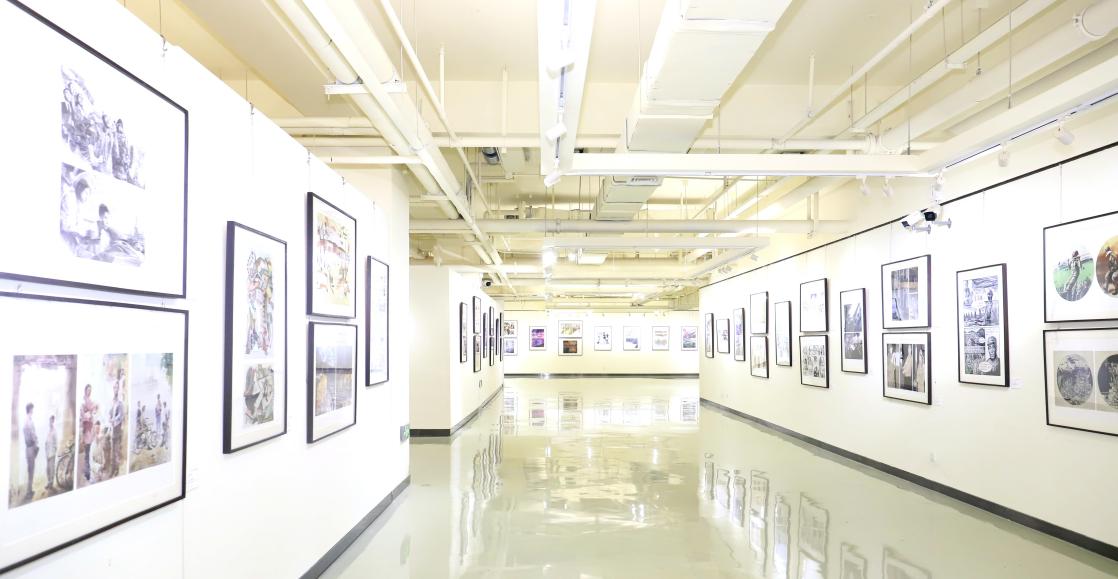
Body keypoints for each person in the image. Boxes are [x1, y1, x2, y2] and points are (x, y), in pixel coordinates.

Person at [79, 384, 97, 483]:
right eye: (88, 390)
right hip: (85, 429)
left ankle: (88, 473)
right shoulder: (83, 402)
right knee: (87, 453)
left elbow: (93, 412)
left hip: (90, 429)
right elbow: (82, 416)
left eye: (90, 390)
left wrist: (91, 414)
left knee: (89, 452)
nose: (89, 392)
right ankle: (88, 474)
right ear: (85, 390)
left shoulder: (91, 401)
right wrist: (88, 415)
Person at [109, 375, 125, 478]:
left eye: (117, 387)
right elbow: (110, 412)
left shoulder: (120, 401)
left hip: (117, 429)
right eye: (114, 387)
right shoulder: (112, 400)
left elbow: (121, 415)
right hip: (112, 429)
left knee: (116, 451)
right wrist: (109, 418)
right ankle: (112, 469)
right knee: (112, 450)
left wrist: (114, 420)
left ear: (119, 388)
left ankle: (116, 470)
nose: (115, 389)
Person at [24, 404, 39, 499]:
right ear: (30, 409)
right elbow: (32, 434)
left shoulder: (27, 420)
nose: (33, 410)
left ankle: (29, 490)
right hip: (30, 447)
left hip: (28, 448)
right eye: (32, 409)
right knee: (31, 470)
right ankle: (29, 492)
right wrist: (36, 444)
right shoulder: (28, 421)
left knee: (30, 470)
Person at [45, 415, 57, 490]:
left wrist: (53, 452)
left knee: (52, 468)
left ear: (53, 421)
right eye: (49, 421)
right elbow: (46, 441)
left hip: (52, 453)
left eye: (51, 421)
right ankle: (48, 482)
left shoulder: (54, 431)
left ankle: (51, 484)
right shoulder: (48, 430)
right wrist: (46, 449)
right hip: (47, 452)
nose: (50, 422)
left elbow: (55, 443)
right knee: (47, 469)